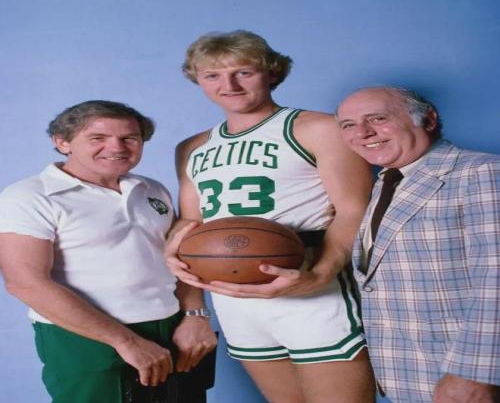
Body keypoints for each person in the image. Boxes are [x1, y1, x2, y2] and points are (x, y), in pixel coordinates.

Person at [164, 30, 376, 403]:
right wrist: (174, 250)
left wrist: (319, 275)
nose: (229, 85)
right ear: (198, 80)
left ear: (272, 73)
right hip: (231, 297)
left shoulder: (318, 128)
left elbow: (354, 209)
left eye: (243, 72)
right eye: (213, 75)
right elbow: (190, 222)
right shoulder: (191, 147)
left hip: (311, 288)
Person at [0, 100, 217, 403]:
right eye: (98, 138)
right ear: (62, 142)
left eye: (130, 138)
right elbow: (25, 283)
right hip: (85, 337)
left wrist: (195, 316)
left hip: (172, 327)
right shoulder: (29, 196)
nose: (117, 147)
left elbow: (182, 258)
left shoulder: (152, 189)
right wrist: (126, 342)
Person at [336, 86, 500, 402]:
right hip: (409, 374)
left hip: (465, 377)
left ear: (428, 119)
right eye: (348, 125)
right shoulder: (384, 184)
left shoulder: (483, 172)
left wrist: (475, 375)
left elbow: (496, 280)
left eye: (378, 118)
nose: (363, 132)